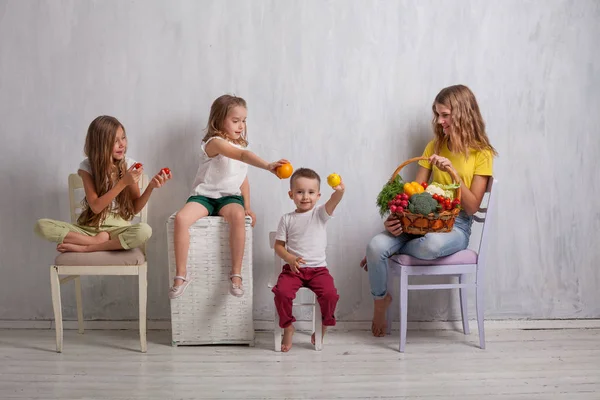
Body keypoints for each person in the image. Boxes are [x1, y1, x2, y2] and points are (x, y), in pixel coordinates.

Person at [361, 84, 498, 337]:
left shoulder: (482, 154)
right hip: (420, 223)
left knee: (430, 246)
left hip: (456, 226)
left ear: (463, 113)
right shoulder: (433, 146)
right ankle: (380, 301)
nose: (439, 120)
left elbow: (472, 206)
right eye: (437, 114)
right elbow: (415, 192)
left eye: (445, 115)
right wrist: (396, 219)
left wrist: (452, 173)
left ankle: (387, 253)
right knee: (375, 246)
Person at [170, 94, 288, 299]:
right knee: (181, 219)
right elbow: (241, 156)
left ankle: (235, 274)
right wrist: (269, 166)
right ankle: (181, 275)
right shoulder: (214, 143)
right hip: (204, 196)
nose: (241, 125)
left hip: (229, 197)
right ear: (218, 120)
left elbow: (242, 178)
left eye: (244, 120)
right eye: (235, 121)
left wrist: (248, 205)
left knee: (239, 216)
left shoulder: (243, 147)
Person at [35, 115, 170, 252]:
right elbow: (96, 207)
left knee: (144, 231)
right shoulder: (87, 167)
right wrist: (123, 183)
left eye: (123, 138)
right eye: (114, 140)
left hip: (118, 230)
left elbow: (134, 209)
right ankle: (94, 241)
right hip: (89, 228)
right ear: (100, 144)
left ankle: (88, 247)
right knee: (41, 226)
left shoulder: (129, 165)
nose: (122, 144)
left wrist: (151, 187)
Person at [272, 168, 345, 352]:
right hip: (293, 270)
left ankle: (324, 325)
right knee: (281, 293)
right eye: (300, 192)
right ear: (291, 194)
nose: (305, 197)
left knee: (330, 295)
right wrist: (289, 257)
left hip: (318, 270)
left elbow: (334, 200)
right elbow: (278, 246)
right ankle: (288, 326)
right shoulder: (287, 219)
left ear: (318, 195)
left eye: (311, 192)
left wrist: (340, 191)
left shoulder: (320, 214)